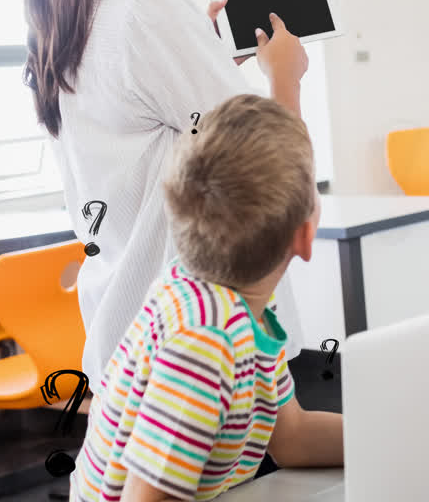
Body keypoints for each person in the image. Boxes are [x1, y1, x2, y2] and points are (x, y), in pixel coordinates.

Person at [23, 0, 313, 392]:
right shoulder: (145, 6)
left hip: (127, 351)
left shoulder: (78, 7)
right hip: (196, 359)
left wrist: (200, 58)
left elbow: (151, 148)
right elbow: (279, 190)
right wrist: (284, 77)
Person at [69, 95, 343, 501]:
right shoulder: (205, 339)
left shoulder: (245, 307)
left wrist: (386, 434)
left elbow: (291, 437)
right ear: (304, 237)